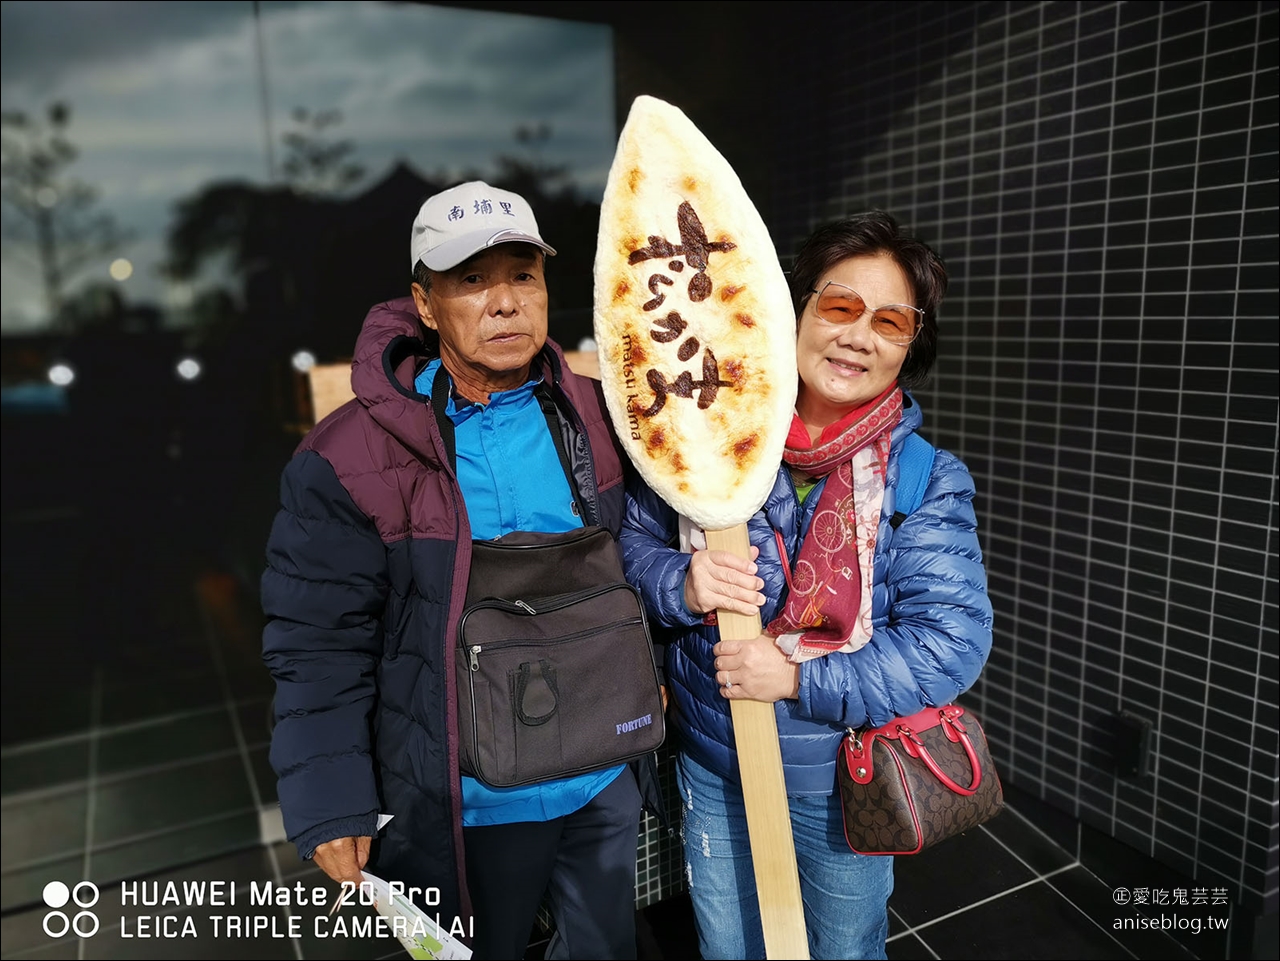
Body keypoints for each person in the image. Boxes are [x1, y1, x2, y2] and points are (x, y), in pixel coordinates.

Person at [262, 181, 650, 960]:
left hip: (601, 776)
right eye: (471, 280)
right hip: (467, 798)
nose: (504, 302)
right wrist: (331, 796)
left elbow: (641, 563)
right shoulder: (349, 457)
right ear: (426, 303)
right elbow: (317, 637)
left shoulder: (611, 416)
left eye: (522, 274)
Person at [620, 211, 993, 960]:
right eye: (840, 305)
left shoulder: (922, 481)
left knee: (843, 949)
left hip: (841, 781)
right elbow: (632, 544)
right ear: (792, 308)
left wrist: (795, 677)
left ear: (910, 347)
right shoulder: (705, 440)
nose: (859, 335)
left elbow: (951, 643)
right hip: (715, 760)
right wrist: (681, 583)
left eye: (890, 321)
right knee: (730, 946)